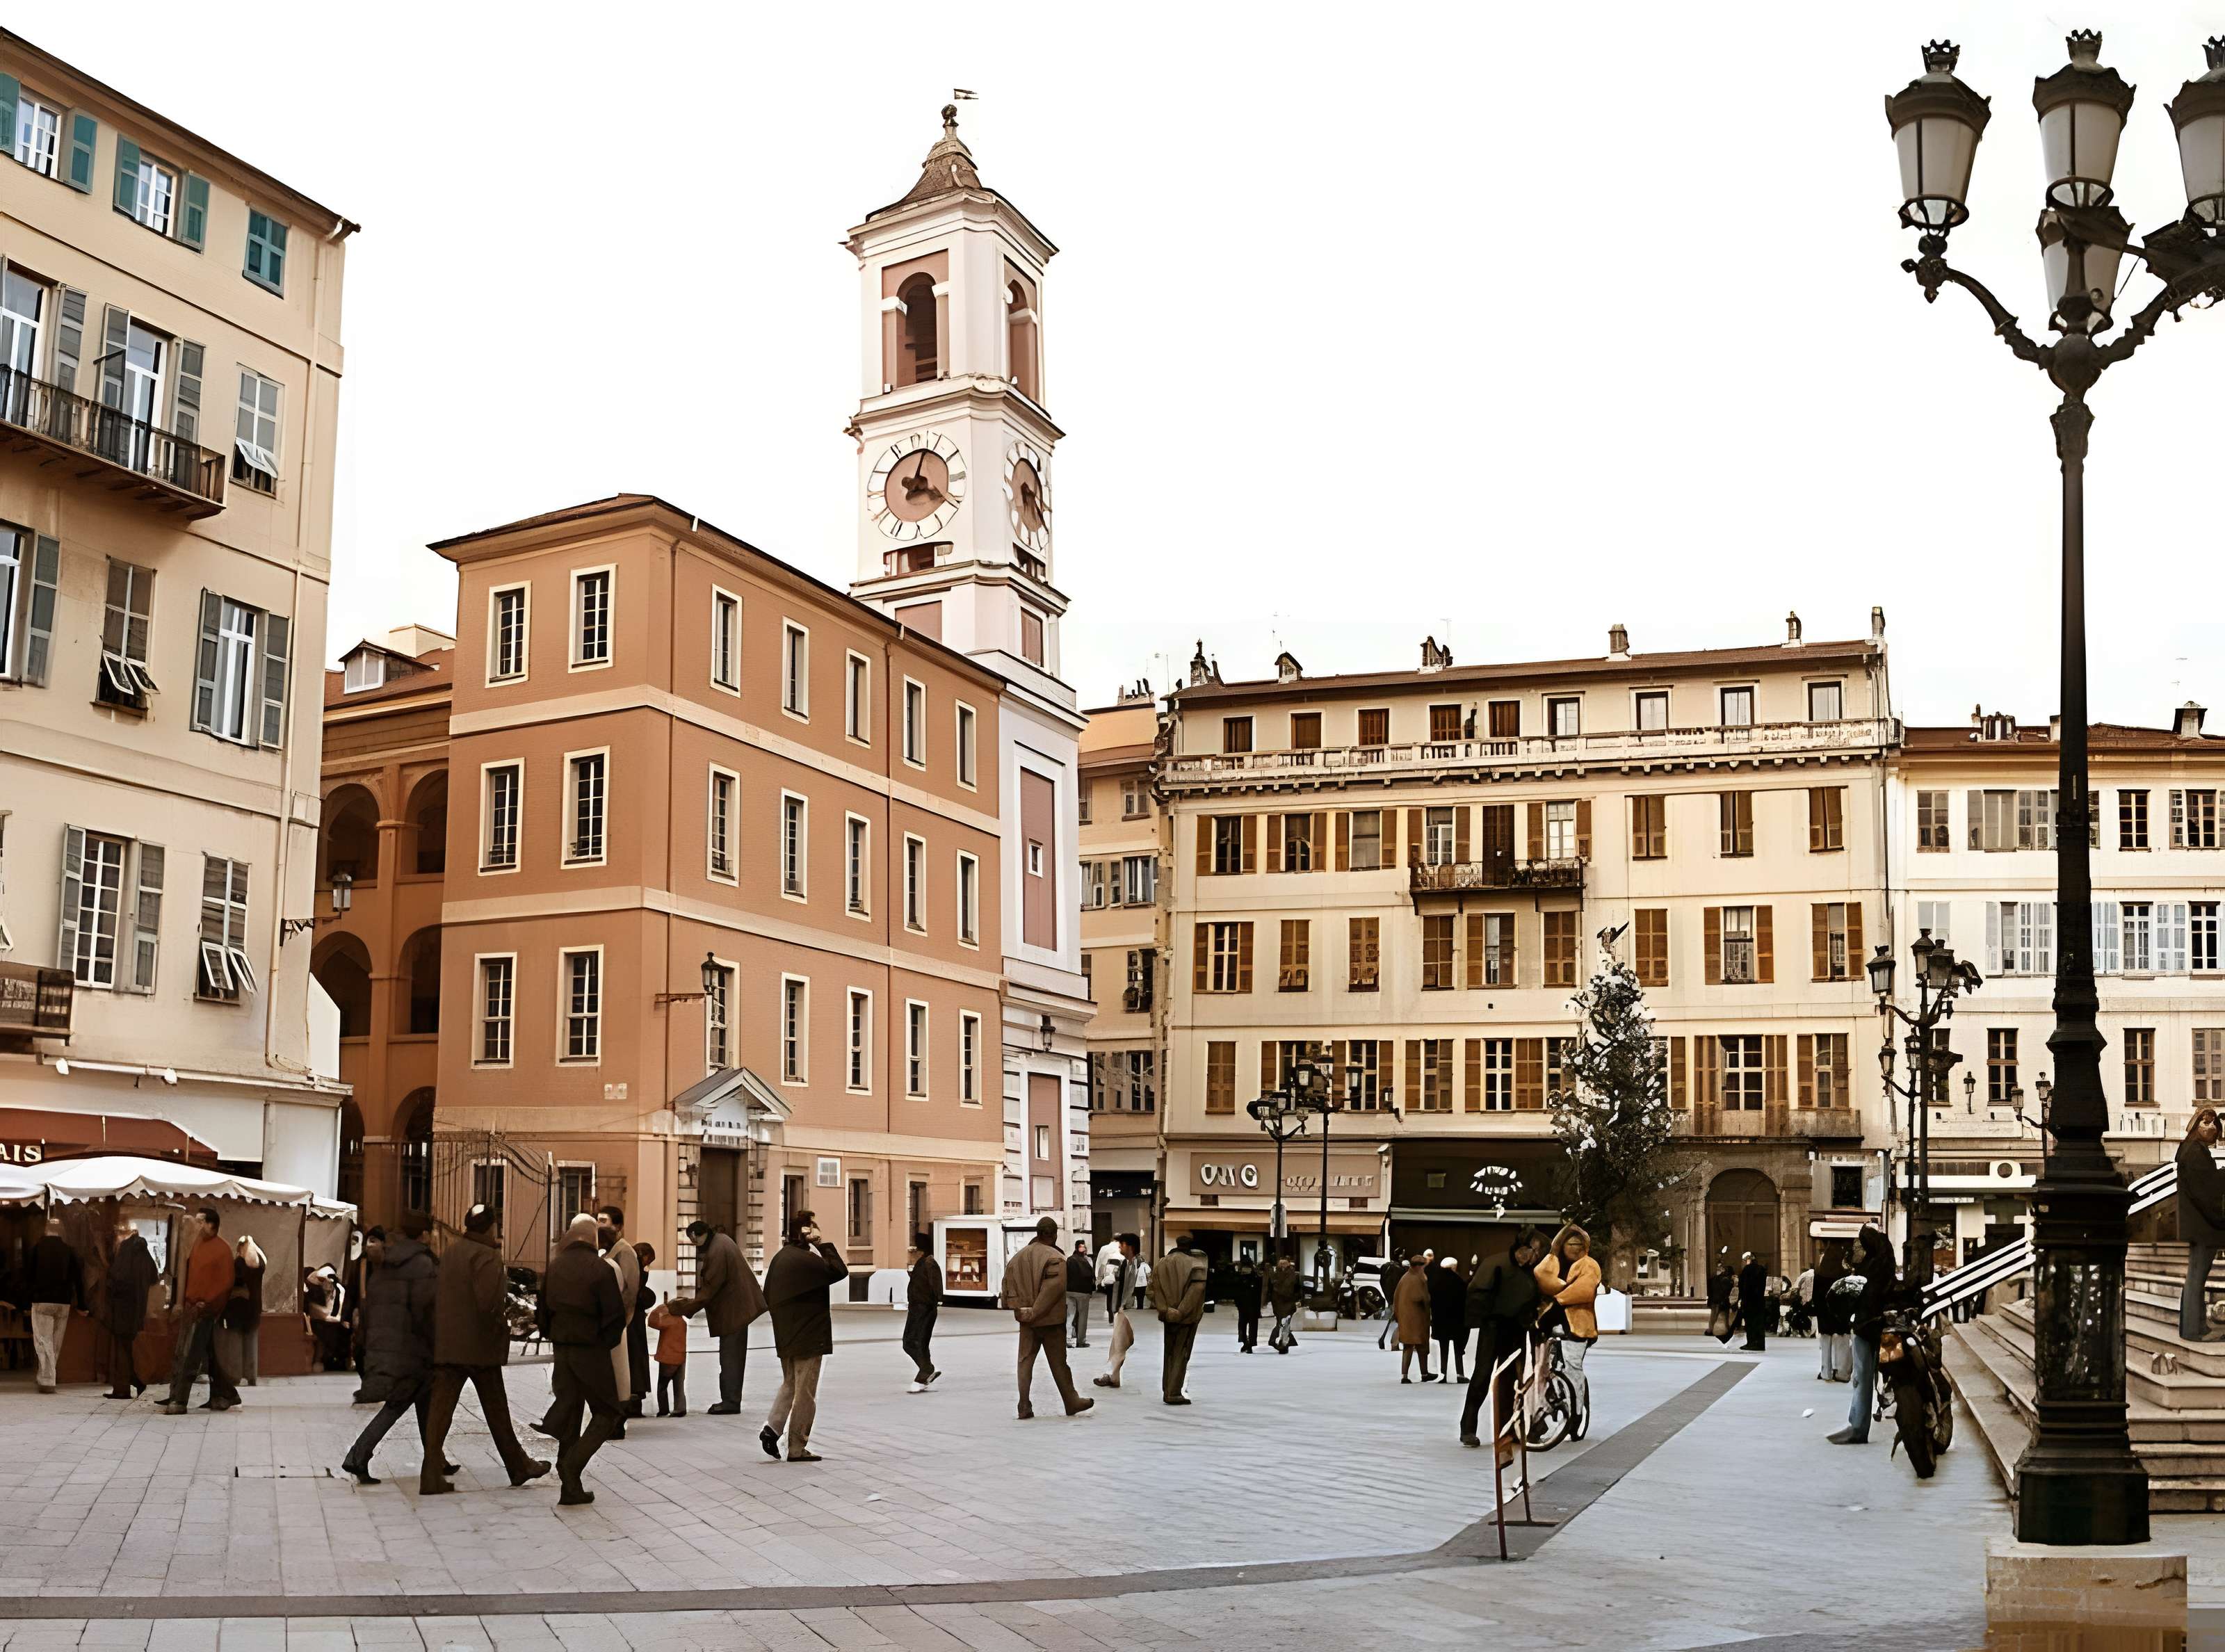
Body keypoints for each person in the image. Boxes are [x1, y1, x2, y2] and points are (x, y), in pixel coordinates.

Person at [419, 1202, 549, 1496]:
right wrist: (501, 1331)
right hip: (478, 1346)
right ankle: (518, 1466)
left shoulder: (452, 1252)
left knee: (441, 1411)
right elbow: (489, 1303)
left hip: (449, 1342)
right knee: (496, 1409)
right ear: (493, 1226)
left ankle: (431, 1473)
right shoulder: (488, 1256)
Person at [341, 1211, 443, 1485]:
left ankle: (436, 1459)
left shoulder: (388, 1263)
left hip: (391, 1345)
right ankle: (357, 1457)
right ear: (424, 1235)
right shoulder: (422, 1264)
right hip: (414, 1349)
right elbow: (427, 1312)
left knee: (426, 1404)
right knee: (396, 1406)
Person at [540, 1213, 624, 1506]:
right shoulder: (600, 1269)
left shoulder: (555, 1268)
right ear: (594, 1239)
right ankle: (572, 1466)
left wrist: (556, 1335)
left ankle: (570, 1489)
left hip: (563, 1348)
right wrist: (603, 1343)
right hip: (592, 1349)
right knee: (608, 1412)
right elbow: (614, 1316)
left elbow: (542, 1313)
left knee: (571, 1413)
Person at [761, 1209, 848, 1462]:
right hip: (809, 1337)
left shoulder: (780, 1258)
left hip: (786, 1336)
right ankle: (797, 1447)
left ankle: (771, 1429)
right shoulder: (806, 1260)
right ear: (806, 1232)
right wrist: (821, 1244)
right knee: (805, 1392)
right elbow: (839, 1271)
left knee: (789, 1384)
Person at [1460, 1229, 1544, 1463]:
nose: (1530, 1257)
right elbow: (1476, 1292)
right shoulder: (1496, 1264)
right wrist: (1482, 1319)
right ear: (1519, 1249)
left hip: (1517, 1331)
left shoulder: (1530, 1273)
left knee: (1512, 1382)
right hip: (1494, 1329)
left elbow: (1535, 1300)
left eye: (1534, 1253)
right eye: (1528, 1251)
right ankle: (1468, 1428)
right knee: (1482, 1376)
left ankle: (1508, 1430)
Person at [1002, 1215, 1094, 1420]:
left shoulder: (1019, 1256)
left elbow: (1007, 1286)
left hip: (1026, 1319)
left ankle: (1024, 1404)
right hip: (1050, 1320)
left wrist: (1021, 1310)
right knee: (1059, 1363)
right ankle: (1071, 1401)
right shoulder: (1055, 1257)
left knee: (1025, 1361)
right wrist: (1036, 1311)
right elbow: (1054, 1288)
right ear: (1053, 1234)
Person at [671, 1219, 766, 1414]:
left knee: (731, 1357)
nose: (694, 1245)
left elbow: (710, 1288)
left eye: (693, 1241)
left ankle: (730, 1402)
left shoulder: (717, 1251)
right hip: (738, 1308)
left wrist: (685, 1309)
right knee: (732, 1356)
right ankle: (730, 1400)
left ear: (696, 1235)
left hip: (734, 1311)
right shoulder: (721, 1240)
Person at [160, 1208, 241, 1415]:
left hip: (205, 1310)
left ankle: (179, 1401)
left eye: (200, 1221)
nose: (197, 1225)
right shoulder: (197, 1244)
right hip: (191, 1307)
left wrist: (209, 1304)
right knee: (202, 1354)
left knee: (190, 1354)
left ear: (211, 1224)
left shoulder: (222, 1249)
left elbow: (225, 1283)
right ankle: (223, 1395)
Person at [1828, 1225, 1899, 1445]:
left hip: (1865, 1328)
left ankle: (1858, 1427)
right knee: (1887, 1374)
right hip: (1883, 1329)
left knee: (1862, 1378)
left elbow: (1861, 1298)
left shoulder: (1870, 1268)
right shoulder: (1885, 1266)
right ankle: (1863, 1422)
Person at [2179, 1106, 2225, 1341]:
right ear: (2196, 1126)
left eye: (2214, 1123)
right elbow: (2204, 1190)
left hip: (2197, 1224)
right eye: (2205, 1123)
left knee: (2196, 1275)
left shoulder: (2192, 1150)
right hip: (2203, 1225)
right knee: (2197, 1277)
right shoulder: (2196, 1153)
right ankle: (2192, 1330)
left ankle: (2196, 1327)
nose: (2211, 1128)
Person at [99, 1220, 158, 1399]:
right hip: (138, 1309)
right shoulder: (144, 1253)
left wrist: (110, 1284)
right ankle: (133, 1382)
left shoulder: (125, 1249)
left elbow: (119, 1277)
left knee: (122, 1350)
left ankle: (125, 1387)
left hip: (123, 1308)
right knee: (127, 1348)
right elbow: (154, 1277)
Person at [1147, 1234, 1208, 1404]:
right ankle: (1174, 1392)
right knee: (1182, 1353)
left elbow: (1151, 1291)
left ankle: (1167, 1388)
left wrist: (1165, 1309)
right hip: (1187, 1318)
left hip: (1168, 1316)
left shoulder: (1162, 1263)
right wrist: (1180, 1312)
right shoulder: (1197, 1264)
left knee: (1169, 1352)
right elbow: (1197, 1289)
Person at [25, 1215, 83, 1393]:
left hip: (42, 1301)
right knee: (56, 1342)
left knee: (43, 1340)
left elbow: (28, 1277)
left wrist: (25, 1302)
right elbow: (78, 1280)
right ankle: (48, 1376)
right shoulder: (69, 1251)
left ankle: (47, 1378)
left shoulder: (36, 1249)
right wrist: (82, 1304)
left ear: (46, 1230)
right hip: (63, 1302)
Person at [598, 1208, 641, 1427]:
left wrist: (621, 1319)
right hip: (613, 1321)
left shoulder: (624, 1251)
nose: (600, 1225)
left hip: (622, 1320)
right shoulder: (608, 1251)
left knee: (623, 1370)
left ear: (618, 1226)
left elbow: (630, 1289)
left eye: (604, 1221)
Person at [217, 1235, 266, 1388]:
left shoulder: (238, 1264)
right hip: (254, 1308)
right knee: (251, 1342)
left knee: (235, 1343)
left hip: (236, 1309)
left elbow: (229, 1284)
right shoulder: (260, 1266)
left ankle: (235, 1376)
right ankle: (251, 1376)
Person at [1095, 1233, 1141, 1387]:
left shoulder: (1131, 1264)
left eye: (1122, 1245)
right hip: (1122, 1310)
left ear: (1129, 1246)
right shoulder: (1130, 1263)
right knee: (1118, 1345)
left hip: (1124, 1310)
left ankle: (1111, 1375)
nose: (1119, 1247)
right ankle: (1113, 1376)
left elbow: (1125, 1289)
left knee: (1120, 1345)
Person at [903, 1232, 942, 1393]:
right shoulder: (924, 1263)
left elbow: (936, 1288)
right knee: (919, 1343)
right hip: (919, 1307)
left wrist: (931, 1304)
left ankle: (926, 1369)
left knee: (911, 1342)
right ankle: (925, 1373)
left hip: (923, 1309)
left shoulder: (928, 1263)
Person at [1813, 1242, 1852, 1382]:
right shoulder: (1844, 1273)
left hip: (1824, 1312)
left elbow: (1815, 1296)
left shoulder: (1819, 1273)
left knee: (1825, 1342)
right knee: (1842, 1341)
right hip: (1841, 1312)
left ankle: (1826, 1372)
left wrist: (1819, 1309)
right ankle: (1841, 1372)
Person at [1393, 1254, 1434, 1383]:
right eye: (1423, 1266)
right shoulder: (1417, 1279)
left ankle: (1407, 1375)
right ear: (1418, 1266)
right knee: (1419, 1346)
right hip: (1417, 1319)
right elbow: (1421, 1298)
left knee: (1409, 1346)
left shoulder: (1404, 1278)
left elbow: (1396, 1296)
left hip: (1406, 1319)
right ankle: (1423, 1374)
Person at [647, 1291, 689, 1416]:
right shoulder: (682, 1322)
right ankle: (680, 1408)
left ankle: (664, 1409)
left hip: (668, 1359)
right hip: (681, 1357)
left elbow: (652, 1321)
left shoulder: (668, 1322)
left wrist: (662, 1307)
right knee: (679, 1385)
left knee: (662, 1386)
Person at [626, 1241, 656, 1418]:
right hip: (634, 1322)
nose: (648, 1264)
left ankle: (634, 1400)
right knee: (635, 1359)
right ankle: (634, 1402)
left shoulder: (631, 1266)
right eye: (649, 1260)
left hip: (634, 1320)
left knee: (635, 1360)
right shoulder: (636, 1269)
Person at [1430, 1254, 1468, 1384]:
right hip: (1457, 1321)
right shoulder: (1460, 1282)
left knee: (1443, 1348)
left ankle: (1444, 1373)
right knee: (1458, 1349)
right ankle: (1460, 1373)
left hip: (1440, 1321)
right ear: (1453, 1268)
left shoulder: (1436, 1282)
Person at [305, 1266, 351, 1372]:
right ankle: (319, 1360)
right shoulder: (316, 1294)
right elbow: (316, 1312)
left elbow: (339, 1312)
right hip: (324, 1324)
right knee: (322, 1331)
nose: (328, 1284)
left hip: (336, 1324)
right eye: (325, 1281)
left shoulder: (340, 1292)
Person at [1266, 1250, 1302, 1354]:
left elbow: (1297, 1289)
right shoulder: (1276, 1274)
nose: (1283, 1266)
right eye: (1281, 1264)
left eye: (1285, 1263)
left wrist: (1295, 1298)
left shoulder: (1292, 1275)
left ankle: (1280, 1343)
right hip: (1279, 1303)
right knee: (1283, 1324)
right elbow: (1271, 1287)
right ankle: (1281, 1344)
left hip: (1288, 1303)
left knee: (1284, 1325)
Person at [1065, 1240, 1096, 1349]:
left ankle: (1068, 1339)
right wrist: (1092, 1290)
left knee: (1070, 1315)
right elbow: (1091, 1276)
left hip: (1069, 1292)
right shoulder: (1086, 1261)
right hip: (1083, 1293)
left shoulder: (1069, 1260)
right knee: (1082, 1316)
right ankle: (1081, 1341)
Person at [1230, 1256, 1264, 1353]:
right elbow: (1259, 1291)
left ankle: (1245, 1342)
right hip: (1253, 1303)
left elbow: (1235, 1290)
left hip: (1243, 1304)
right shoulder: (1255, 1276)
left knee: (1242, 1324)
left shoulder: (1239, 1275)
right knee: (1252, 1325)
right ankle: (1250, 1343)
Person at [1738, 1251, 1769, 1352]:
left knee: (1750, 1323)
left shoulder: (1748, 1269)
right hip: (1759, 1300)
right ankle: (1760, 1344)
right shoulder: (1762, 1270)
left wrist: (1741, 1299)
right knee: (1759, 1323)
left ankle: (1751, 1343)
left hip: (1749, 1300)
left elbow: (1743, 1285)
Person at [1376, 1252, 1406, 1350]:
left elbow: (1382, 1283)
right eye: (1401, 1256)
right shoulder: (1398, 1269)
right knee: (1401, 1321)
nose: (1402, 1258)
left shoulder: (1386, 1267)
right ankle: (1395, 1343)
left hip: (1391, 1298)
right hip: (1396, 1299)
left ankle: (1393, 1342)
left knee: (1397, 1321)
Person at [1706, 1256, 1736, 1343]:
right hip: (1721, 1300)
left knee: (1714, 1316)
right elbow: (1726, 1291)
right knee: (1725, 1317)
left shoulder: (1715, 1279)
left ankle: (1711, 1330)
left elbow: (1712, 1289)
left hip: (1715, 1300)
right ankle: (1726, 1330)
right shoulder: (1727, 1280)